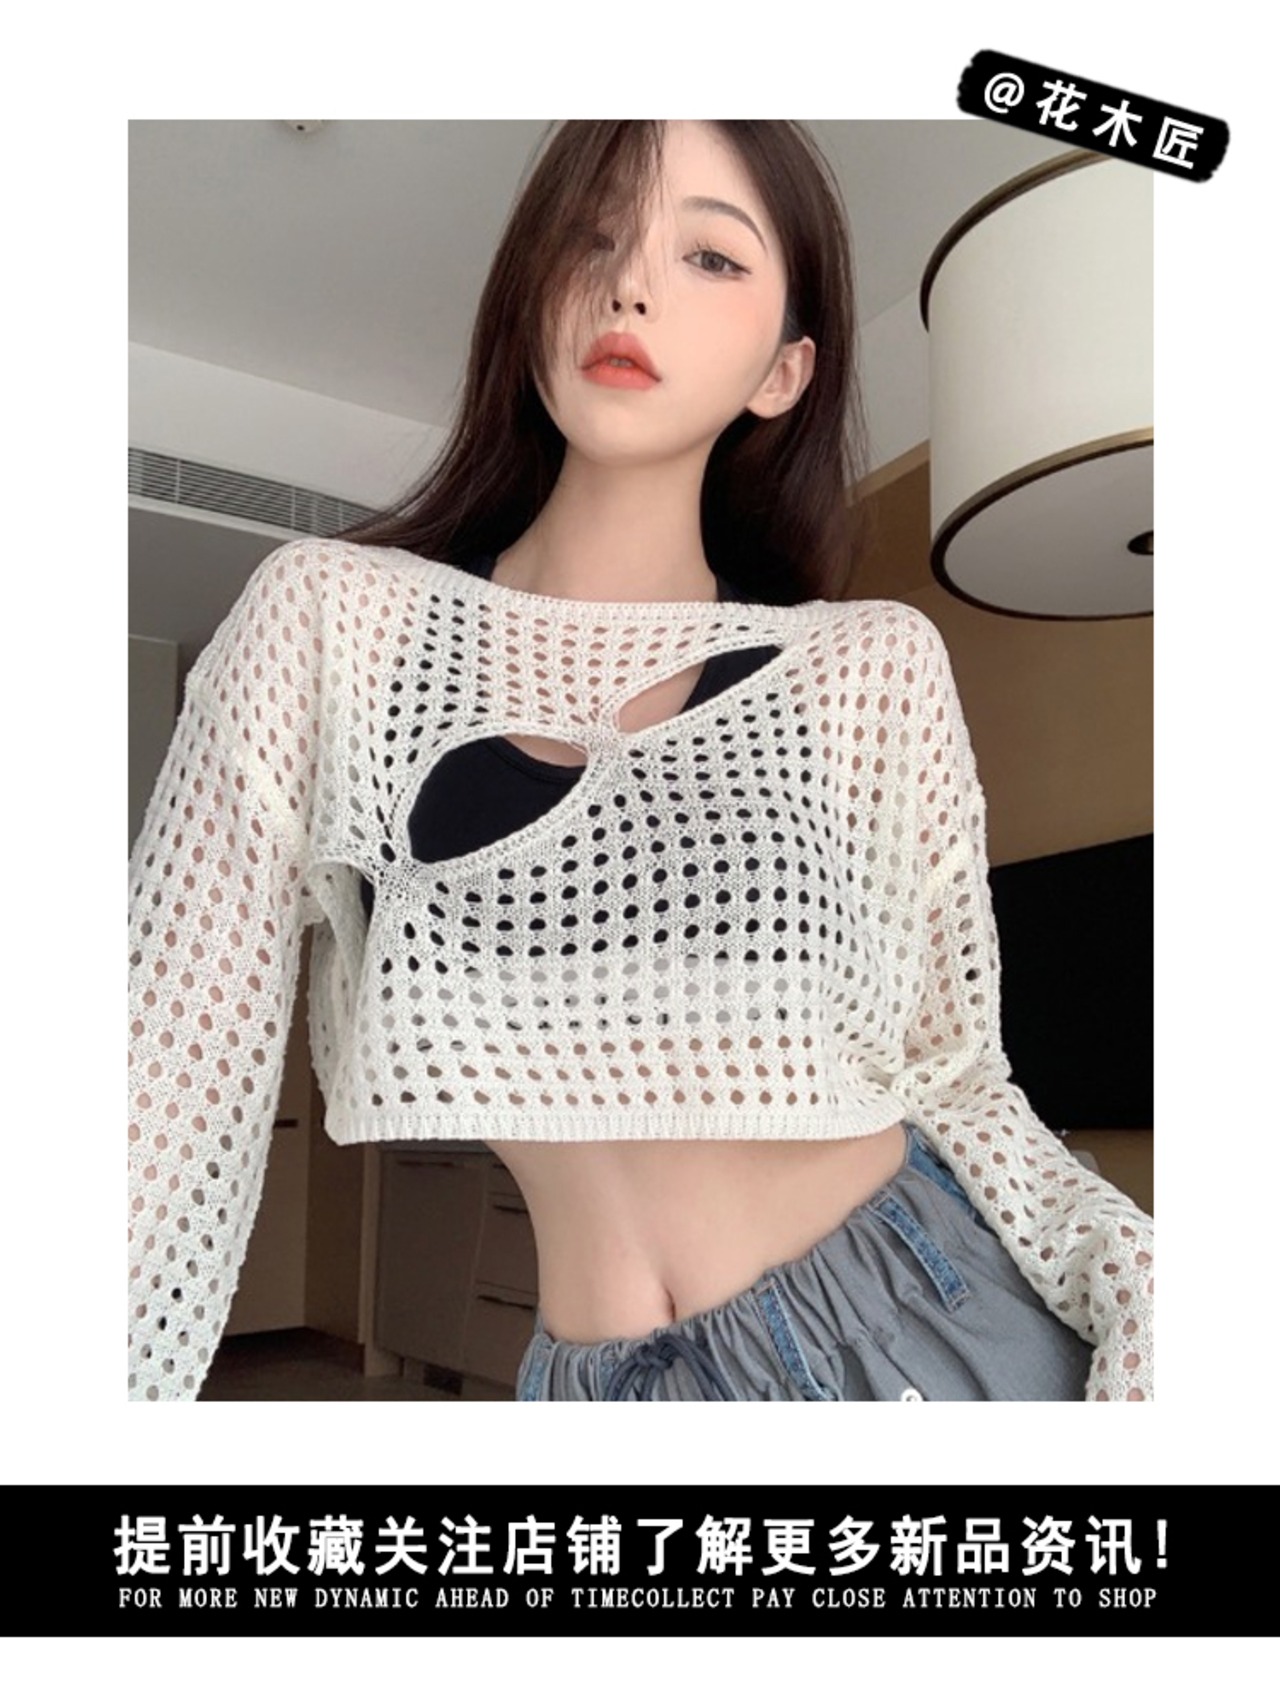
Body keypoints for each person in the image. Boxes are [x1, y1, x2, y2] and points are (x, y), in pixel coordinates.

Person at [128, 120, 1154, 1402]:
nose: (630, 285)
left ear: (782, 371)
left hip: (920, 1325)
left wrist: (1129, 1271)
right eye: (592, 239)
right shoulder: (331, 622)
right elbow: (157, 1094)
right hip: (599, 1385)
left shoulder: (865, 668)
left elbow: (952, 1075)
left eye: (710, 257)